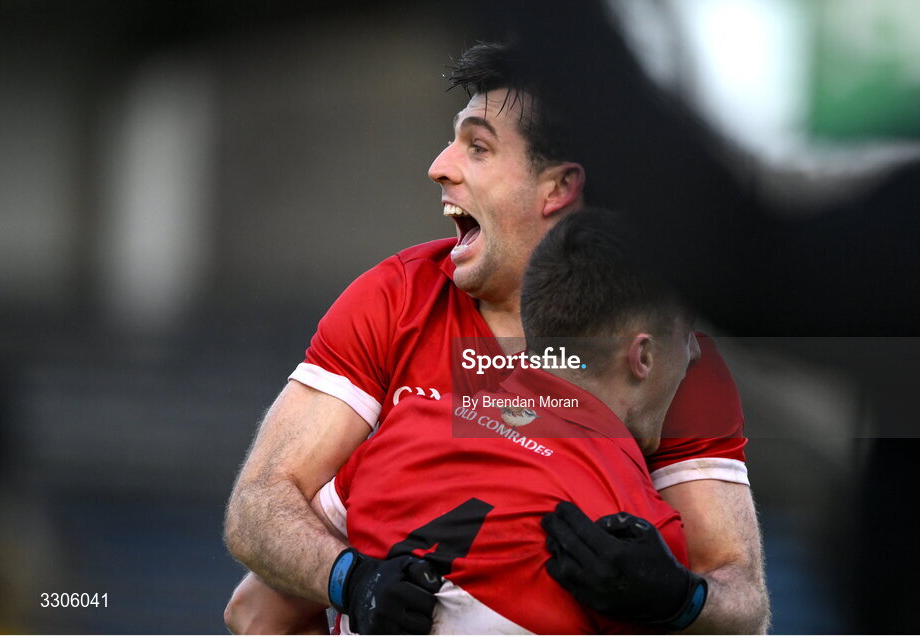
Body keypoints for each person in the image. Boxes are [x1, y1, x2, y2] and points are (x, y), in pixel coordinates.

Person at [223, 41, 768, 634]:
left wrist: (678, 597)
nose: (440, 165)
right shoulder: (399, 297)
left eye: (477, 147)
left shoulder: (675, 356)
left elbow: (743, 604)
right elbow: (260, 515)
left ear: (557, 189)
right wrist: (353, 579)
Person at [320, 208, 708, 633]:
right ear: (643, 356)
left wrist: (352, 582)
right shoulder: (637, 531)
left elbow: (252, 609)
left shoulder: (407, 422)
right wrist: (683, 603)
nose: (694, 355)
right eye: (686, 334)